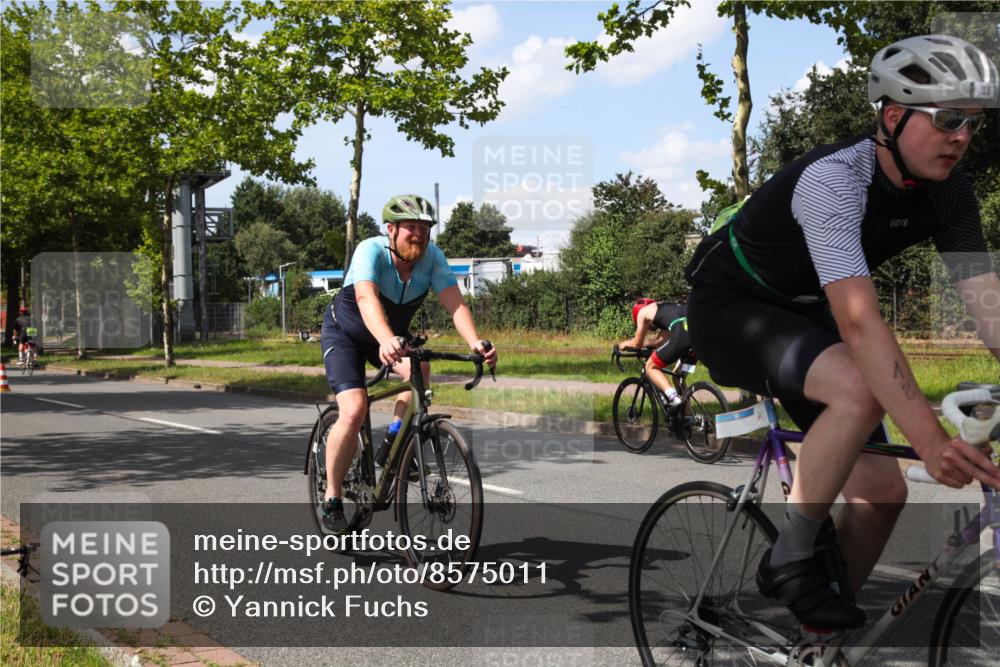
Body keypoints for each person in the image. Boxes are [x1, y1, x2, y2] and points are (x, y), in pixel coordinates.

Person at [684, 34, 1000, 630]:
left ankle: (815, 640)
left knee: (883, 495)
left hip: (806, 314)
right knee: (858, 386)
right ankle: (789, 554)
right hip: (731, 307)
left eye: (973, 123)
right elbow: (859, 320)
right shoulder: (834, 179)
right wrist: (931, 442)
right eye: (948, 118)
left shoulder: (951, 194)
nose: (962, 136)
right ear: (893, 116)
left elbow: (989, 306)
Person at [320, 194, 497, 533]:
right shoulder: (370, 251)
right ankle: (332, 496)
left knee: (420, 370)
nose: (418, 235)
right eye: (411, 228)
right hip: (346, 335)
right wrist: (386, 339)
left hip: (390, 337)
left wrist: (476, 343)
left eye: (424, 229)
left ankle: (394, 443)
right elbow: (365, 298)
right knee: (354, 410)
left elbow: (455, 304)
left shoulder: (432, 257)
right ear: (391, 230)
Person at [620, 299, 690, 410]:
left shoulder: (642, 313)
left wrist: (623, 345)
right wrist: (644, 344)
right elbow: (658, 341)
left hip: (681, 333)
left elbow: (637, 343)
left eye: (647, 327)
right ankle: (689, 416)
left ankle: (674, 398)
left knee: (650, 366)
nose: (649, 329)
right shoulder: (668, 309)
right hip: (697, 333)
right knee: (677, 377)